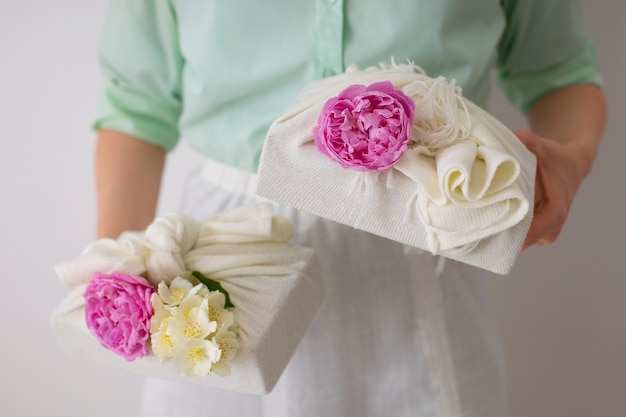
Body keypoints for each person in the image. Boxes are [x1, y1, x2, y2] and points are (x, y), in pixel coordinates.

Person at [93, 1, 606, 416]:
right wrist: (118, 279)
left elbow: (558, 70)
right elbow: (137, 106)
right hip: (219, 271)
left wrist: (570, 161)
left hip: (424, 238)